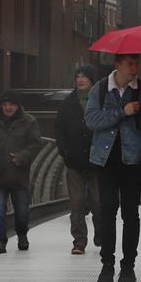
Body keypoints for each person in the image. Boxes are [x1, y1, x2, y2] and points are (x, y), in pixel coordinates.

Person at [85, 54, 141, 282]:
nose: (134, 69)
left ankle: (128, 266)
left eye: (137, 64)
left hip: (134, 161)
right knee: (107, 211)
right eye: (130, 64)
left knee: (130, 214)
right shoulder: (100, 89)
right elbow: (91, 120)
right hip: (106, 161)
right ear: (117, 65)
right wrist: (121, 112)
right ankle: (107, 265)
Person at [0, 89, 43, 254]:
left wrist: (21, 157)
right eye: (5, 104)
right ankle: (0, 241)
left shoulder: (29, 121)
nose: (8, 108)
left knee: (22, 211)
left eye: (11, 105)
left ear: (18, 105)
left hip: (19, 174)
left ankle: (22, 234)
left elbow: (36, 144)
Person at [54, 64, 101, 254]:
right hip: (74, 161)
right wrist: (64, 150)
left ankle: (102, 234)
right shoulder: (67, 103)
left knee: (98, 202)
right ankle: (79, 241)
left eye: (84, 76)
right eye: (78, 76)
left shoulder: (100, 101)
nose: (80, 80)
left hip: (97, 161)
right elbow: (59, 128)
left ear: (91, 80)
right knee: (77, 203)